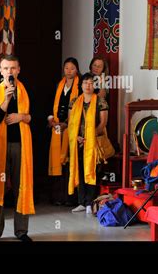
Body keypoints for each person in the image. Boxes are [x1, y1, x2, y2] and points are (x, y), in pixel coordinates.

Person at [0, 55, 35, 242]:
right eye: (5, 68)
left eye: (13, 68)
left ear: (19, 70)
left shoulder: (26, 91)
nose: (9, 72)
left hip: (21, 145)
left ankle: (22, 231)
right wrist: (6, 98)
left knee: (21, 186)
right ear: (0, 71)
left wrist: (21, 116)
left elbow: (33, 117)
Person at [68, 73, 108, 214]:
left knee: (92, 171)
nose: (88, 85)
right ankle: (81, 202)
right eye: (85, 82)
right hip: (78, 141)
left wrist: (90, 136)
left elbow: (103, 123)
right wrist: (77, 136)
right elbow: (71, 123)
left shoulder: (100, 102)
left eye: (91, 83)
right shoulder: (74, 102)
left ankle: (91, 202)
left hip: (93, 142)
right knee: (79, 170)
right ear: (81, 85)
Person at [48, 57, 80, 206]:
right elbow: (51, 104)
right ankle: (57, 196)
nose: (69, 71)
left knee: (68, 161)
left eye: (72, 68)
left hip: (71, 129)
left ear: (77, 70)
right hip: (57, 128)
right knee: (56, 161)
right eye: (66, 68)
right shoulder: (59, 85)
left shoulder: (79, 86)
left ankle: (70, 197)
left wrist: (67, 123)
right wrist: (52, 120)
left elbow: (77, 109)